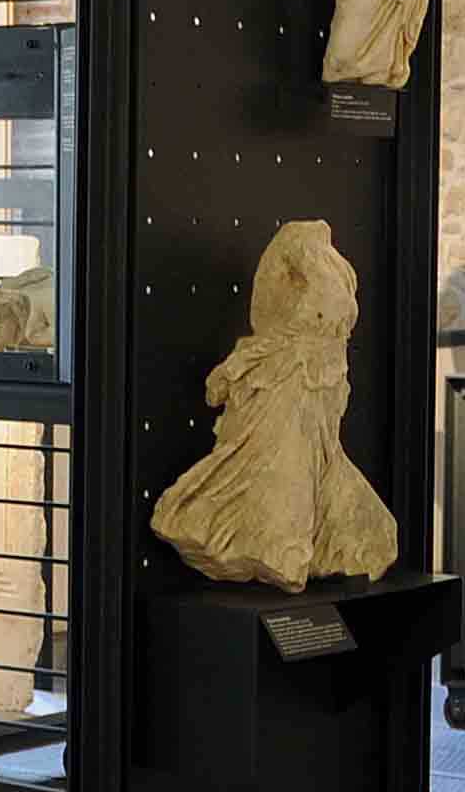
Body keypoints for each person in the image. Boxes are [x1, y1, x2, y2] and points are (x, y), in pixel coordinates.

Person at [149, 221, 394, 589]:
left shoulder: (334, 266)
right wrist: (242, 369)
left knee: (319, 469)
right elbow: (268, 323)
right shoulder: (293, 253)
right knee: (279, 468)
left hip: (320, 390)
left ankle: (300, 547)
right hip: (291, 386)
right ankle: (271, 549)